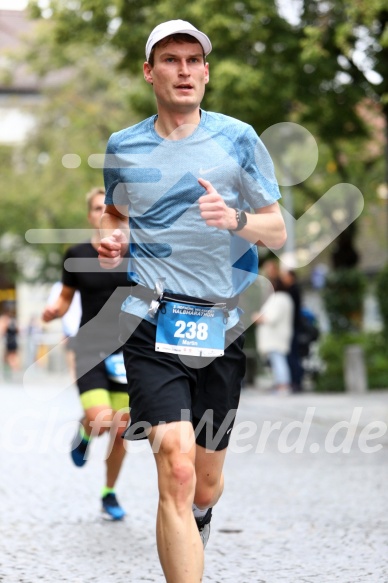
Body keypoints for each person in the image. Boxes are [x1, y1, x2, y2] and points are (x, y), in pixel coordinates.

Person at [98, 20, 286, 582]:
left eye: (193, 61)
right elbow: (115, 213)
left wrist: (235, 219)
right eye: (171, 60)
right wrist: (111, 240)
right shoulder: (124, 146)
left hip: (221, 324)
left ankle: (202, 514)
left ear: (205, 72)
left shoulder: (238, 139)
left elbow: (276, 231)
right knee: (175, 467)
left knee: (203, 481)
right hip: (151, 319)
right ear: (149, 71)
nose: (183, 70)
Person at [42, 187, 130, 521]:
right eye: (98, 209)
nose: (106, 215)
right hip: (90, 348)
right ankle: (84, 432)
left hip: (129, 352)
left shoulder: (138, 254)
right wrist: (54, 311)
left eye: (115, 211)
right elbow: (65, 298)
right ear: (91, 215)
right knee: (100, 419)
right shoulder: (76, 255)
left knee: (122, 430)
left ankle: (109, 492)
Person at [252, 277, 294, 394]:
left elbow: (271, 318)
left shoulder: (279, 299)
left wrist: (257, 317)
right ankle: (280, 384)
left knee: (278, 361)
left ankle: (283, 385)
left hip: (275, 337)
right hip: (277, 336)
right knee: (277, 361)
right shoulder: (285, 298)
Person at [46, 281, 82, 380]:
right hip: (75, 331)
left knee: (74, 368)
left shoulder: (59, 287)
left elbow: (55, 309)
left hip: (73, 332)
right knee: (77, 368)